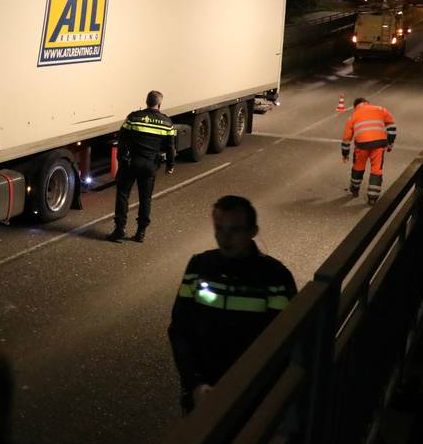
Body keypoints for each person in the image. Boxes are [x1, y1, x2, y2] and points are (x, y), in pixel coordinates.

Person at [168, 196, 297, 414]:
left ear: (253, 231)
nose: (224, 238)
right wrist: (195, 383)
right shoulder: (200, 266)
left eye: (235, 230)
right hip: (203, 394)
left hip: (253, 398)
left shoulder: (274, 277)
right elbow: (180, 328)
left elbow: (284, 339)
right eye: (219, 228)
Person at [107, 90, 176, 243]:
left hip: (131, 163)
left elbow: (122, 139)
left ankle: (119, 230)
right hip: (150, 165)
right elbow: (170, 147)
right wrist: (170, 165)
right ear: (159, 104)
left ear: (146, 101)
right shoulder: (167, 122)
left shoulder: (133, 117)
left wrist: (121, 159)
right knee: (145, 199)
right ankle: (141, 233)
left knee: (123, 195)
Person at [341, 97, 398, 205]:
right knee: (376, 170)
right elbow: (392, 126)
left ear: (355, 106)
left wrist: (345, 153)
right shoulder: (380, 109)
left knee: (358, 166)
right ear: (367, 103)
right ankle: (372, 198)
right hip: (379, 144)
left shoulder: (353, 116)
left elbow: (346, 138)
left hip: (361, 145)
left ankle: (355, 189)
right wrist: (390, 142)